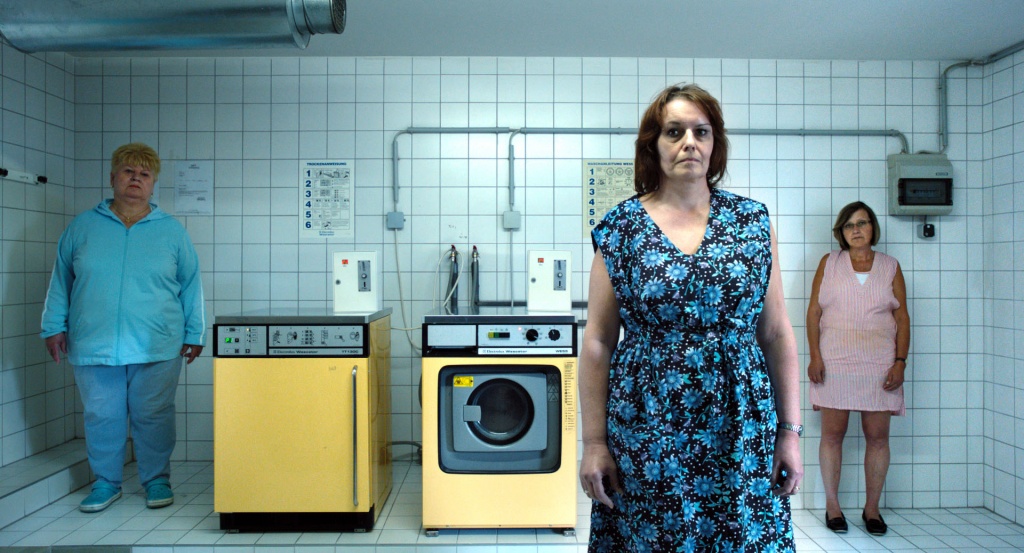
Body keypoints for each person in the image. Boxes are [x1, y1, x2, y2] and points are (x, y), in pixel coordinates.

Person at [578, 83, 803, 552]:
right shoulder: (620, 229)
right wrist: (594, 442)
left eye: (701, 132)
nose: (689, 143)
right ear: (653, 145)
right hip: (647, 423)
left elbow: (776, 332)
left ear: (715, 143)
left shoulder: (752, 222)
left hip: (740, 426)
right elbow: (598, 341)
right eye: (674, 131)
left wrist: (790, 433)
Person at [40, 143, 206, 513]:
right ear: (113, 177)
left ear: (153, 183)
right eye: (129, 171)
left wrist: (195, 334)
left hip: (157, 342)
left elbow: (191, 285)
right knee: (102, 415)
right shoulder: (83, 227)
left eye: (144, 174)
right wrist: (52, 326)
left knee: (154, 415)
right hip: (94, 342)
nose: (136, 179)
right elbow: (61, 281)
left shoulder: (171, 232)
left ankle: (156, 479)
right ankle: (106, 482)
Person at [806, 201, 909, 536]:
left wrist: (900, 362)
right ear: (841, 232)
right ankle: (833, 506)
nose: (856, 230)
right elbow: (814, 313)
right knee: (832, 435)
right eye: (849, 225)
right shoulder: (829, 263)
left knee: (877, 437)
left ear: (873, 228)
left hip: (879, 363)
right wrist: (815, 357)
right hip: (834, 360)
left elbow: (902, 317)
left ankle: (872, 509)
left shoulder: (890, 266)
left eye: (862, 223)